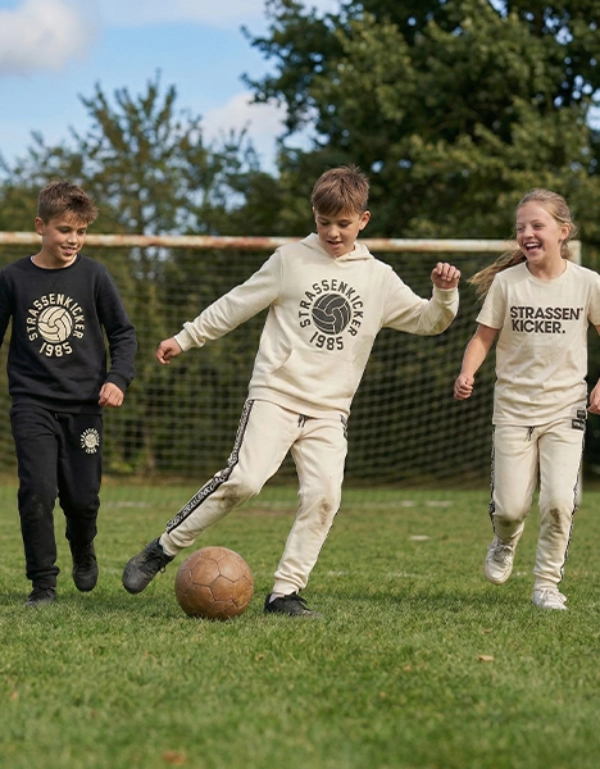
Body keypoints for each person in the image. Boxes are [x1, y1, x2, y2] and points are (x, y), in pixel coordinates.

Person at [123, 164, 461, 616]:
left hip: (329, 412)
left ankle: (285, 593)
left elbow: (429, 321)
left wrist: (444, 294)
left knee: (324, 497)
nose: (333, 233)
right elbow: (236, 304)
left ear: (364, 220)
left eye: (343, 223)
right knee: (243, 479)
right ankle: (162, 549)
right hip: (276, 395)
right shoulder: (289, 260)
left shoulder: (379, 277)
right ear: (314, 217)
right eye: (324, 223)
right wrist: (186, 337)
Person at [454, 188, 600, 611]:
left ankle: (547, 584)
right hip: (514, 411)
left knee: (559, 501)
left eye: (537, 225)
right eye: (521, 228)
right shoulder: (507, 283)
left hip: (565, 409)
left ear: (563, 232)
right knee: (510, 507)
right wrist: (467, 372)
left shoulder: (588, 284)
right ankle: (504, 539)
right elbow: (482, 339)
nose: (528, 234)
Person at [0, 181, 137, 607]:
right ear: (40, 226)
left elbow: (123, 334)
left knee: (82, 499)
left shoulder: (94, 275)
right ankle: (43, 585)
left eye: (80, 232)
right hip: (32, 403)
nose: (72, 240)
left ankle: (83, 547)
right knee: (37, 491)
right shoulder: (13, 278)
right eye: (64, 230)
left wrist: (118, 379)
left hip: (84, 407)